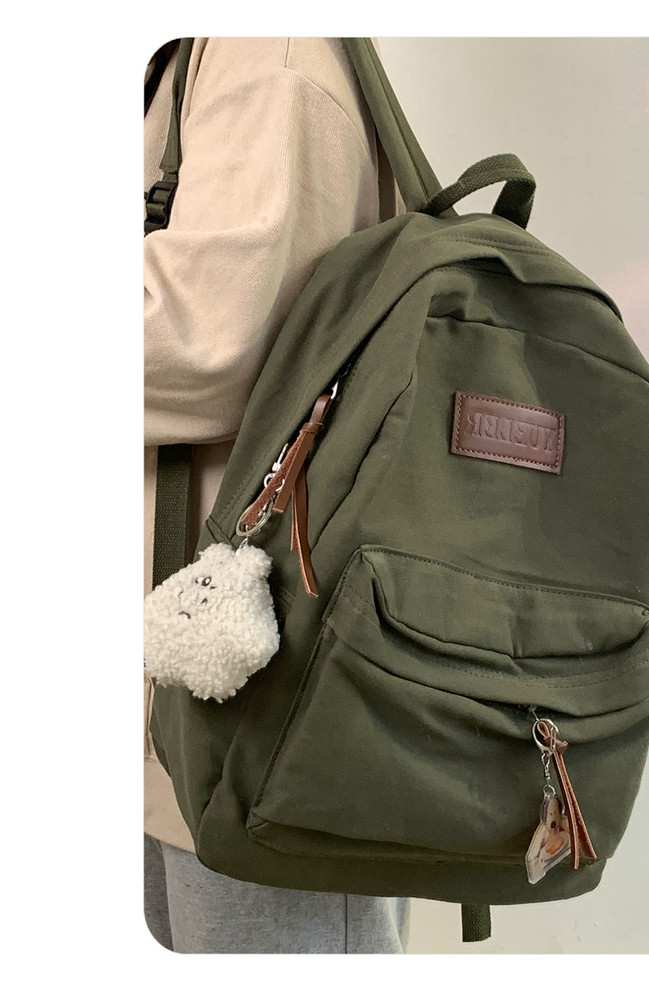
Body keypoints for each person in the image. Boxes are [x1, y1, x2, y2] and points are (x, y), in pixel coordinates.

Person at [144, 36, 408, 954]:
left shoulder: (266, 49)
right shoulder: (193, 57)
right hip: (199, 688)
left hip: (258, 714)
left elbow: (207, 337)